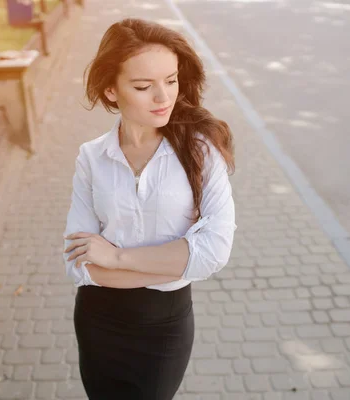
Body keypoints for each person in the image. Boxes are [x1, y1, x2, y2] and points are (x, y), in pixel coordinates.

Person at [62, 18, 237, 400]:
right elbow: (81, 265)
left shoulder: (201, 151)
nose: (164, 98)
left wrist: (117, 256)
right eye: (143, 86)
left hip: (164, 326)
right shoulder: (92, 157)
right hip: (97, 319)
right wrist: (168, 261)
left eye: (171, 81)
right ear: (111, 90)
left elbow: (214, 252)